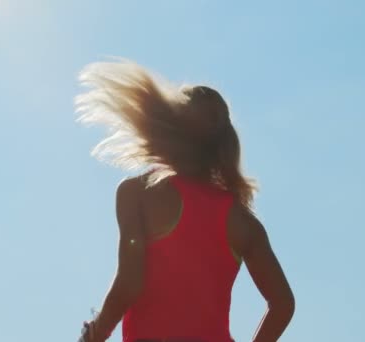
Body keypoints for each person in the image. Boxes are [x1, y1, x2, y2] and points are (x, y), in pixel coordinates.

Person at [75, 59, 295, 342]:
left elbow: (129, 283)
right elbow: (283, 304)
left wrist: (94, 335)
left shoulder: (137, 193)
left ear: (168, 126)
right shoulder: (243, 222)